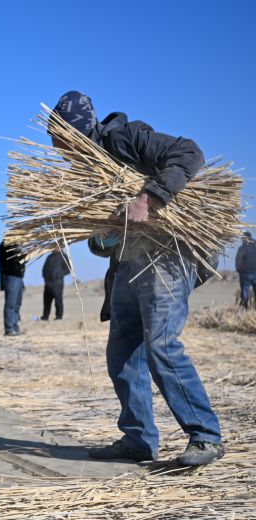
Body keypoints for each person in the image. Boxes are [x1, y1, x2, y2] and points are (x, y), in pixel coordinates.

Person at [50, 90, 222, 466]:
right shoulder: (86, 172)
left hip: (167, 255)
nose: (57, 149)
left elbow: (189, 152)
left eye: (59, 139)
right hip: (128, 263)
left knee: (161, 346)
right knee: (122, 350)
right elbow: (102, 239)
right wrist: (103, 237)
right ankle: (138, 439)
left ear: (75, 132)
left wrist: (148, 199)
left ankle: (205, 437)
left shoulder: (121, 138)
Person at [0, 241, 25, 335]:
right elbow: (11, 260)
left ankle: (15, 327)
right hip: (11, 276)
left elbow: (23, 261)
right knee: (11, 304)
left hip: (19, 277)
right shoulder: (5, 245)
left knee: (17, 304)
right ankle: (9, 328)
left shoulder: (16, 245)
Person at [40, 249, 69, 320]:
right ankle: (45, 316)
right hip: (48, 282)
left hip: (58, 282)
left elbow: (68, 269)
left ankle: (59, 316)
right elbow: (44, 268)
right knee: (46, 300)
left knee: (58, 300)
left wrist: (59, 275)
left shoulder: (63, 256)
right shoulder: (49, 257)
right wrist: (45, 276)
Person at [237, 231, 256, 308]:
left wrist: (238, 270)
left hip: (245, 273)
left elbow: (238, 261)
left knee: (245, 291)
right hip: (255, 273)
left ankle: (245, 307)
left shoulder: (242, 248)